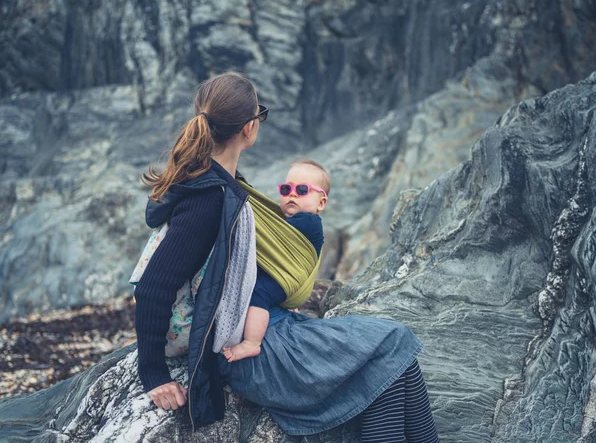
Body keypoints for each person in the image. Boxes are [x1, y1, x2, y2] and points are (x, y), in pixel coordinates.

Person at [134, 71, 440, 442]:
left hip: (269, 327)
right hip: (247, 352)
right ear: (249, 128)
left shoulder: (223, 183)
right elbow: (153, 287)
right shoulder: (208, 199)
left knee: (397, 353)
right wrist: (154, 376)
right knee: (393, 344)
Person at [222, 159, 329, 362]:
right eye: (287, 188)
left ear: (321, 203)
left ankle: (252, 343)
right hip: (284, 275)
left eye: (303, 189)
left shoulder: (309, 221)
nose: (292, 194)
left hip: (286, 280)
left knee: (259, 293)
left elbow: (266, 235)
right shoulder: (286, 221)